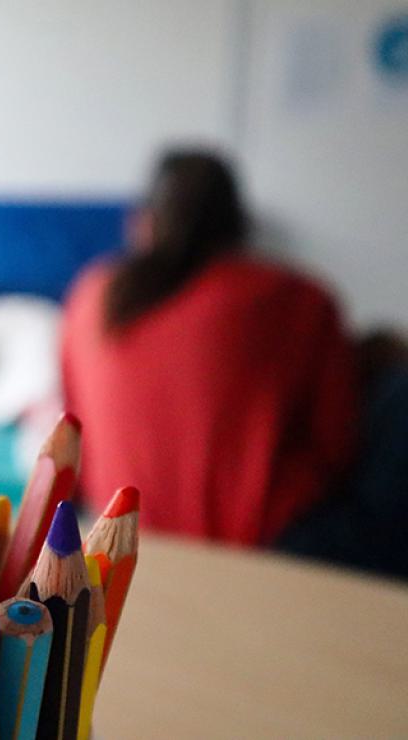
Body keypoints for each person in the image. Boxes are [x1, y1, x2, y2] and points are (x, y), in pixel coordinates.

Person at [62, 150, 364, 549]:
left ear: (140, 223)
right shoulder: (302, 298)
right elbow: (338, 446)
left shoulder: (91, 292)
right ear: (240, 226)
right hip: (271, 545)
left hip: (118, 539)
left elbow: (74, 439)